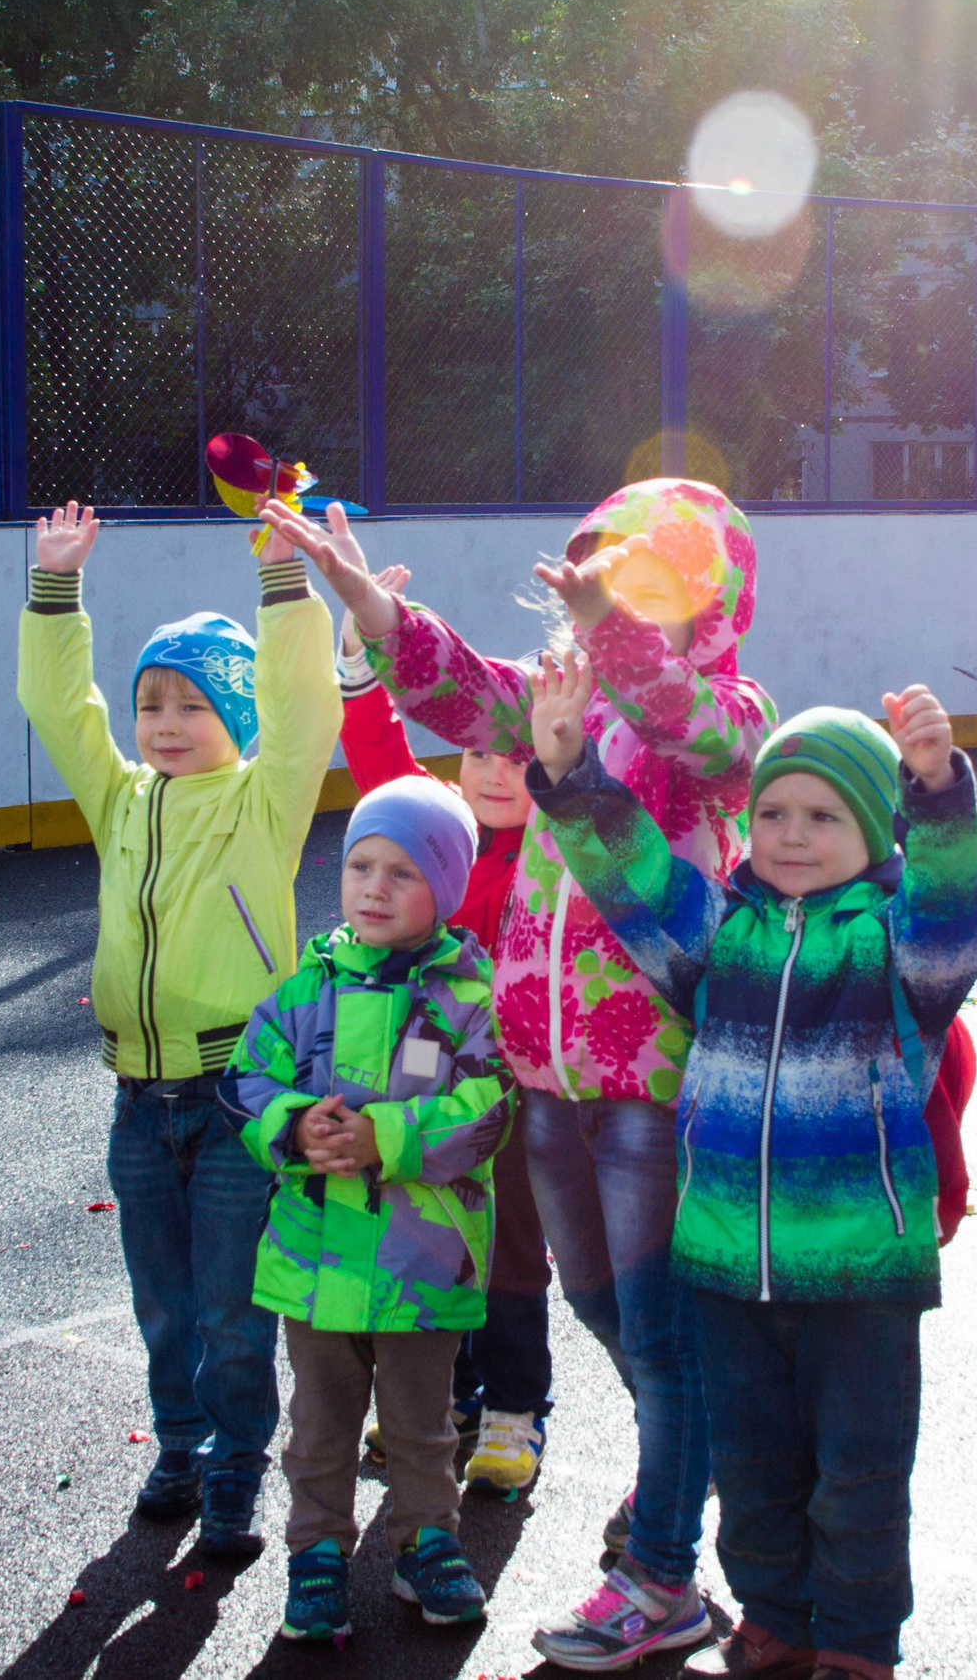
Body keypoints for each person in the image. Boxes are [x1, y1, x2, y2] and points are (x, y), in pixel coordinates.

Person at [277, 480, 773, 1668]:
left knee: (653, 1333)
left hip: (650, 1083)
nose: (614, 598)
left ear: (711, 600)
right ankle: (689, 1465)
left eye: (652, 580)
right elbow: (455, 688)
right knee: (608, 1313)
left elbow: (692, 723)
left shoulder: (720, 711)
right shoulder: (555, 694)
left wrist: (607, 626)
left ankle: (662, 1573)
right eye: (602, 570)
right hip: (542, 1077)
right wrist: (371, 616)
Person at [529, 665, 977, 1680]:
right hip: (726, 1263)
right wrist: (567, 775)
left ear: (879, 834)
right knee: (752, 1470)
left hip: (859, 1275)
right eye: (773, 809)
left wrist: (939, 794)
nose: (789, 832)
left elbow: (959, 915)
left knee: (858, 1474)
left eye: (824, 815)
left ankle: (858, 1641)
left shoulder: (898, 952)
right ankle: (776, 1614)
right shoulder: (718, 937)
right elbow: (636, 878)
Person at [17, 497, 343, 1550]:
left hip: (235, 1100)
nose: (161, 722)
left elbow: (303, 708)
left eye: (191, 705)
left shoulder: (263, 802)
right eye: (150, 701)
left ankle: (238, 1464)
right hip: (136, 1096)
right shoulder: (121, 801)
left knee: (232, 1311)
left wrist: (282, 583)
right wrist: (56, 590)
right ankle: (179, 1442)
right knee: (162, 1306)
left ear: (236, 721)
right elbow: (61, 708)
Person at [224, 775, 517, 1641]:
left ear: (447, 888)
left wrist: (385, 1138)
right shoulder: (305, 988)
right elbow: (248, 1079)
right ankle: (315, 1549)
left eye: (401, 871)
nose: (374, 888)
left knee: (422, 1421)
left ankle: (427, 1538)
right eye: (361, 866)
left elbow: (488, 1102)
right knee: (319, 1420)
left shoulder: (468, 995)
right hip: (315, 1261)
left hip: (421, 1264)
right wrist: (290, 1122)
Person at [335, 572, 555, 1494]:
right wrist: (358, 661)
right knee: (432, 1234)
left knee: (508, 1251)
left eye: (518, 753)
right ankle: (449, 1393)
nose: (494, 770)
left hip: (523, 1093)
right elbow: (386, 767)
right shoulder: (447, 847)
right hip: (431, 1083)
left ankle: (515, 1406)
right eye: (476, 753)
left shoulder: (559, 846)